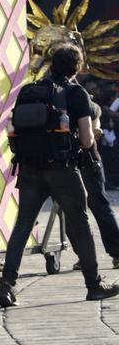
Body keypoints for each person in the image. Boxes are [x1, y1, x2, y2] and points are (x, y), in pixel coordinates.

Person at [0, 44, 119, 306]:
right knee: (80, 223)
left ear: (52, 64)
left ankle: (7, 285)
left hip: (29, 168)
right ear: (77, 67)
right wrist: (93, 135)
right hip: (62, 170)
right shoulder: (77, 93)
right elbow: (87, 141)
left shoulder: (29, 91)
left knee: (22, 225)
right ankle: (94, 284)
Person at [73, 101, 119, 270]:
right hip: (76, 162)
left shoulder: (78, 97)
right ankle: (86, 255)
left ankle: (115, 253)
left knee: (97, 206)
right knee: (76, 211)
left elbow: (96, 120)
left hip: (86, 161)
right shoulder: (74, 96)